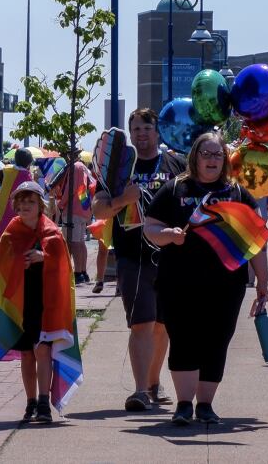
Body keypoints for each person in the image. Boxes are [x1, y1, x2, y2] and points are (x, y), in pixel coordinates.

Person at [144, 132, 268, 425]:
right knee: (184, 339)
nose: (212, 159)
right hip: (178, 282)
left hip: (226, 284)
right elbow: (150, 227)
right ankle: (184, 405)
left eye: (218, 155)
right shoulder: (175, 188)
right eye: (206, 153)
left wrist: (262, 282)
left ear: (225, 160)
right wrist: (168, 235)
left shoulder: (237, 193)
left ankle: (206, 406)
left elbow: (255, 240)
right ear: (195, 156)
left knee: (216, 340)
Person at [92, 107, 185, 412]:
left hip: (171, 257)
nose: (142, 134)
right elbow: (99, 210)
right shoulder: (118, 167)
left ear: (157, 131)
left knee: (163, 325)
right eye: (136, 129)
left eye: (147, 128)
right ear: (129, 135)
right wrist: (122, 199)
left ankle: (154, 383)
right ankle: (140, 390)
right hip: (132, 255)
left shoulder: (176, 163)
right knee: (141, 324)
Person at [0, 181, 74, 424]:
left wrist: (44, 257)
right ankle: (30, 402)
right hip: (21, 302)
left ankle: (44, 402)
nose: (25, 206)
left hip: (46, 301)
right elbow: (1, 264)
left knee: (42, 351)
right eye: (21, 202)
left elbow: (64, 266)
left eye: (30, 202)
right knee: (26, 355)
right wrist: (19, 263)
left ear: (41, 205)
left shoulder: (52, 232)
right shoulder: (12, 230)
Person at [52, 159, 94, 284]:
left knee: (74, 243)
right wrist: (86, 208)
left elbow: (72, 188)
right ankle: (83, 272)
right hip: (82, 208)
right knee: (80, 242)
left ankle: (78, 273)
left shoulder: (75, 167)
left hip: (73, 210)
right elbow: (81, 189)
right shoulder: (83, 167)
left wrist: (61, 203)